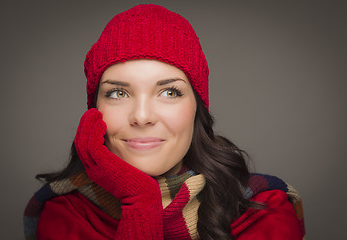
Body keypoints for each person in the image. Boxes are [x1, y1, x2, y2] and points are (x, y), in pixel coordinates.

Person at [23, 4, 305, 240]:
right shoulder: (66, 215)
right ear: (94, 110)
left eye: (170, 92)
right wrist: (140, 203)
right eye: (118, 93)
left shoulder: (263, 210)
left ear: (198, 108)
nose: (142, 116)